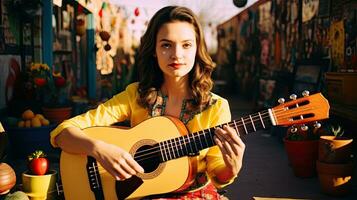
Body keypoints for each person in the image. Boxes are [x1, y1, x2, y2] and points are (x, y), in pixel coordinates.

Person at [50, 6, 245, 199]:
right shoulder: (136, 95)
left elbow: (217, 171)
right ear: (154, 50)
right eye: (166, 45)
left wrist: (231, 168)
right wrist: (99, 149)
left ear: (197, 49)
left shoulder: (216, 107)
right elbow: (63, 132)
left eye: (186, 45)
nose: (176, 54)